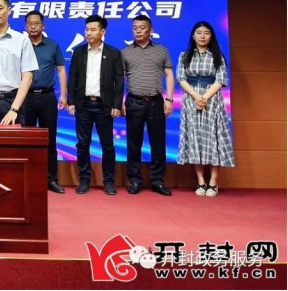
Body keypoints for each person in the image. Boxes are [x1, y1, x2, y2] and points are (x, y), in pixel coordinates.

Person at [176, 21, 235, 197]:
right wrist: (196, 97)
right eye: (199, 32)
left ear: (211, 36)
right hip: (191, 99)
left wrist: (205, 97)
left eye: (206, 33)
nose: (202, 36)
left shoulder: (218, 56)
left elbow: (221, 79)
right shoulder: (184, 55)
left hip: (213, 100)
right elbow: (181, 78)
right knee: (196, 138)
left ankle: (213, 182)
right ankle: (201, 181)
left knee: (213, 139)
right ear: (193, 35)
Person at [67, 15, 124, 195]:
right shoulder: (78, 52)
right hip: (83, 104)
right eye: (87, 29)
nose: (88, 33)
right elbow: (72, 78)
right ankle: (84, 179)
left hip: (103, 105)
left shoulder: (113, 53)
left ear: (102, 31)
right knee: (83, 144)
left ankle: (109, 181)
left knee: (107, 145)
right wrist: (71, 101)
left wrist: (116, 104)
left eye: (93, 29)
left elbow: (119, 81)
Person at [121, 15, 175, 197]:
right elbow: (120, 79)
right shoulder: (125, 52)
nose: (138, 31)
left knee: (158, 143)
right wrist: (120, 101)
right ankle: (134, 180)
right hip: (133, 101)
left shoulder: (161, 50)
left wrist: (169, 99)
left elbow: (169, 75)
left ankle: (157, 181)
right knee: (133, 143)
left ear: (150, 30)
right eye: (135, 28)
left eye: (142, 27)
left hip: (156, 102)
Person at [24, 11, 68, 194]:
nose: (33, 26)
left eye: (37, 23)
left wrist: (63, 94)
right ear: (25, 26)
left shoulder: (52, 45)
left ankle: (51, 179)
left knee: (49, 140)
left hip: (47, 97)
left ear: (43, 26)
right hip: (25, 97)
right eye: (30, 23)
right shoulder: (20, 44)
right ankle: (26, 179)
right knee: (25, 141)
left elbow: (61, 70)